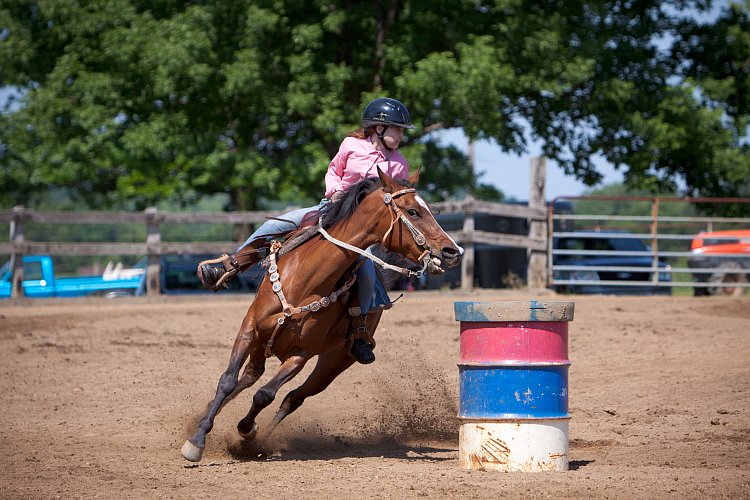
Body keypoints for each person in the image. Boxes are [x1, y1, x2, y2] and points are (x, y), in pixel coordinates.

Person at [197, 97, 415, 364]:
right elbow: (334, 172)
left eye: (402, 130)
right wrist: (334, 192)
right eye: (397, 129)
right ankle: (230, 265)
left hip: (361, 230)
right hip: (330, 210)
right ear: (378, 128)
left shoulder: (400, 165)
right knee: (273, 225)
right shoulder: (351, 146)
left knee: (368, 274)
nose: (401, 134)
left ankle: (359, 332)